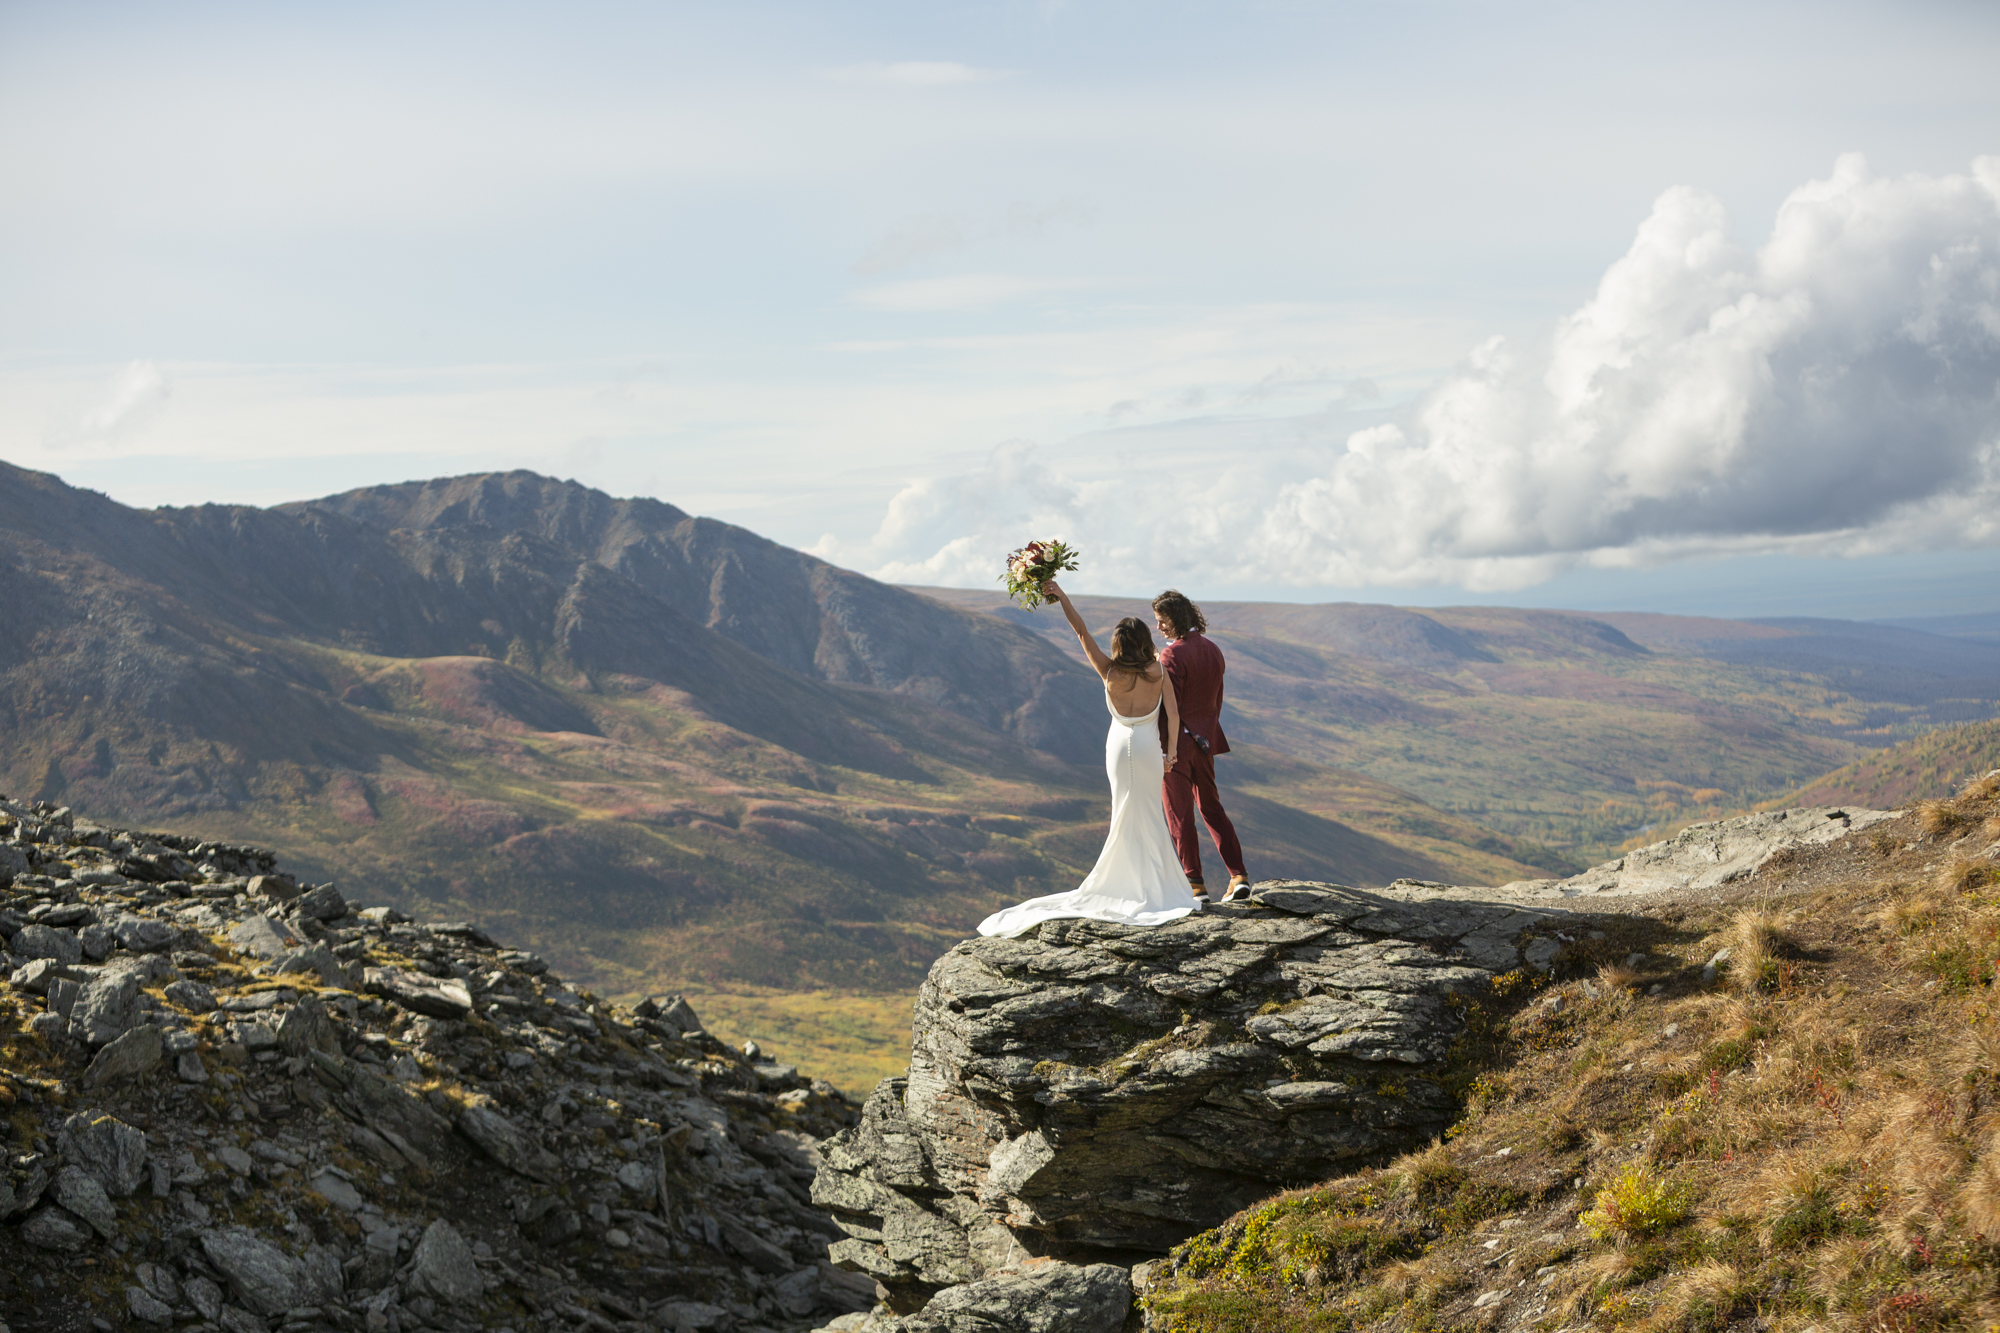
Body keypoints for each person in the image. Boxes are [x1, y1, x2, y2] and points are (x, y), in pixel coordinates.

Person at [977, 579, 1203, 938]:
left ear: (1118, 644)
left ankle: (1120, 883)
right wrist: (1171, 751)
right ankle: (1158, 886)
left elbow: (1080, 631)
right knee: (1148, 812)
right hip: (1147, 748)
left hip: (1117, 748)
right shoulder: (1158, 670)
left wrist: (1061, 595)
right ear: (1145, 641)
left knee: (1122, 813)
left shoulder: (1109, 671)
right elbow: (1173, 716)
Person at [1151, 589, 1251, 902]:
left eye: (1161, 621)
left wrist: (1165, 749)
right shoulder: (1214, 650)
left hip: (1176, 748)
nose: (1159, 627)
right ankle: (1239, 876)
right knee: (1212, 808)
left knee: (1179, 814)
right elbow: (1215, 701)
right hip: (1206, 743)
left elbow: (1170, 708)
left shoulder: (1171, 656)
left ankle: (1195, 885)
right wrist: (1204, 734)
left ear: (1175, 619)